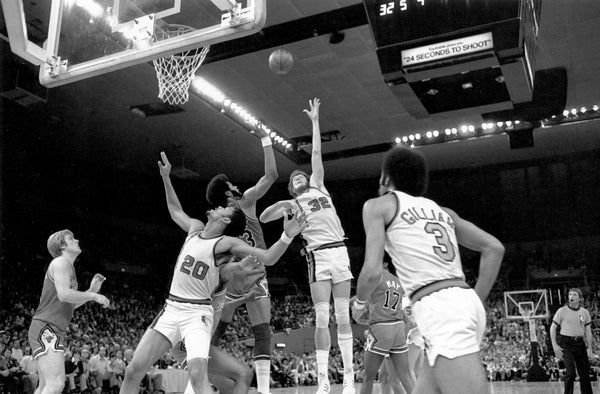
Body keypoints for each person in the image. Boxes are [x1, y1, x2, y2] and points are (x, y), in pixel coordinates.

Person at [119, 162, 306, 394]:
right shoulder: (195, 228)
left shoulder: (225, 243)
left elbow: (268, 257)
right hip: (171, 309)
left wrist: (287, 236)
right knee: (133, 372)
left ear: (226, 221)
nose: (217, 207)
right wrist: (166, 178)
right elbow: (175, 211)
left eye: (223, 209)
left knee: (199, 376)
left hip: (197, 315)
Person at [355, 146, 504, 394]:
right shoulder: (443, 212)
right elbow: (494, 248)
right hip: (460, 300)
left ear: (385, 178)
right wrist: (472, 300)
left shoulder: (378, 206)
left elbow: (371, 271)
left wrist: (360, 303)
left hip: (440, 307)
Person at [168, 126, 277, 394]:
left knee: (211, 335)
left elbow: (178, 215)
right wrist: (265, 139)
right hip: (247, 273)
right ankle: (261, 390)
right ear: (228, 194)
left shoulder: (217, 222)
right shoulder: (245, 202)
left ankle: (200, 380)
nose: (237, 186)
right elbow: (272, 175)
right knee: (262, 331)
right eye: (232, 186)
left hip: (225, 278)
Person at [261, 98, 355, 394]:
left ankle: (350, 377)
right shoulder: (293, 203)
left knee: (342, 317)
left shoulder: (319, 186)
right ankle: (323, 380)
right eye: (295, 178)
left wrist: (315, 121)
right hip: (317, 256)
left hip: (339, 250)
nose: (299, 176)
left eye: (301, 175)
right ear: (292, 187)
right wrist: (284, 205)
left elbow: (315, 153)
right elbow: (264, 217)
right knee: (322, 318)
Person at [28, 230, 110, 394]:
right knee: (56, 384)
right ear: (62, 245)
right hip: (46, 327)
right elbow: (64, 294)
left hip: (52, 329)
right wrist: (93, 295)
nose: (77, 240)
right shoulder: (60, 263)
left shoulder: (68, 268)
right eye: (71, 239)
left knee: (45, 386)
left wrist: (90, 291)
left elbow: (69, 304)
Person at [352, 261, 413, 394]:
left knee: (368, 377)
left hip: (381, 328)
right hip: (398, 327)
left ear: (384, 264)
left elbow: (363, 297)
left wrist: (355, 305)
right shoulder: (398, 281)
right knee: (405, 376)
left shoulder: (376, 277)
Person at [550, 288, 593, 394]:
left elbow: (588, 332)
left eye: (574, 294)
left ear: (580, 298)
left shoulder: (584, 312)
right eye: (570, 294)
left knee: (585, 374)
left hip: (580, 343)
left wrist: (590, 349)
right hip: (566, 343)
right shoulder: (562, 310)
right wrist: (554, 345)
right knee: (571, 373)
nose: (571, 296)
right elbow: (552, 328)